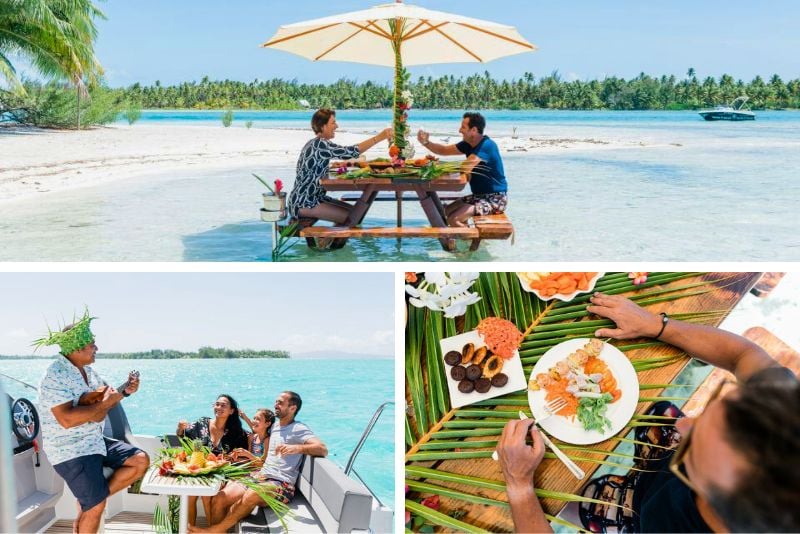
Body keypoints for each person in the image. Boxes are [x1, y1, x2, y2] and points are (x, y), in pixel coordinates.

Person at [496, 292, 800, 533]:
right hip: (663, 481)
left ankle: (589, 513)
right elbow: (743, 354)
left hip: (643, 519)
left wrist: (519, 485)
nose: (682, 424)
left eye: (695, 451)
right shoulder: (783, 415)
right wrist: (657, 324)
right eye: (714, 411)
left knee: (584, 505)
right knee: (660, 416)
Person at [35, 310, 149, 534]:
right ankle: (91, 504)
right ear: (77, 348)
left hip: (94, 440)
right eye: (92, 344)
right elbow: (67, 419)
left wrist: (124, 391)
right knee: (97, 506)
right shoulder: (55, 375)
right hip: (70, 449)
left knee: (140, 460)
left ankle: (89, 502)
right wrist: (100, 404)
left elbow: (100, 409)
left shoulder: (87, 371)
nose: (97, 348)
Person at [190, 391, 328, 533]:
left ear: (292, 408)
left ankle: (214, 530)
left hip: (281, 483)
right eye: (276, 401)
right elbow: (255, 429)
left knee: (251, 494)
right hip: (260, 476)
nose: (275, 405)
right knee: (220, 498)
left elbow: (322, 449)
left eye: (280, 402)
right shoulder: (274, 427)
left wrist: (296, 448)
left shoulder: (298, 428)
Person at [286, 108, 393, 224]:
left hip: (313, 199)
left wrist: (334, 166)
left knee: (356, 213)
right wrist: (379, 137)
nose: (336, 126)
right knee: (352, 218)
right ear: (323, 126)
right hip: (304, 203)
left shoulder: (316, 143)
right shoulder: (320, 144)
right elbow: (350, 152)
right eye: (333, 123)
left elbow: (317, 166)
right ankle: (327, 240)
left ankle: (331, 240)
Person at [417, 112, 507, 227]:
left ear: (473, 130)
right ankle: (462, 238)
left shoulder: (487, 145)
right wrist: (426, 143)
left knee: (454, 219)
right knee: (445, 212)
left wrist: (442, 168)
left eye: (463, 127)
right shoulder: (469, 144)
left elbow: (466, 166)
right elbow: (444, 150)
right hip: (479, 197)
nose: (460, 130)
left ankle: (468, 243)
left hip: (495, 200)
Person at [176, 394, 248, 526]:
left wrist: (226, 460)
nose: (219, 407)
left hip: (221, 473)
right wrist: (180, 428)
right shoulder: (201, 423)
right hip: (199, 469)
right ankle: (190, 530)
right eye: (217, 404)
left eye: (223, 405)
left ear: (232, 411)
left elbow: (241, 455)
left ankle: (210, 528)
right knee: (190, 495)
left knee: (206, 495)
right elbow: (182, 436)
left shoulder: (236, 433)